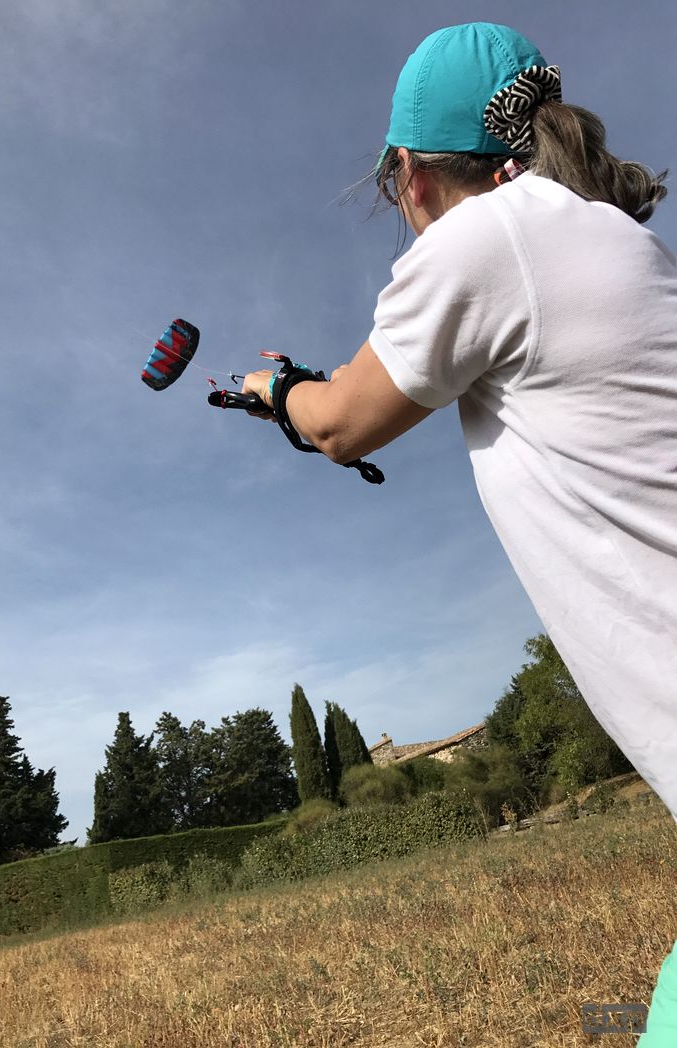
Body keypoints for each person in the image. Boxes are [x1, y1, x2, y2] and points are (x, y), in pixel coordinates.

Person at [241, 21, 676, 1044]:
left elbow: (342, 423)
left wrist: (280, 388)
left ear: (413, 175)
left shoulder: (490, 237)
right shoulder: (611, 236)